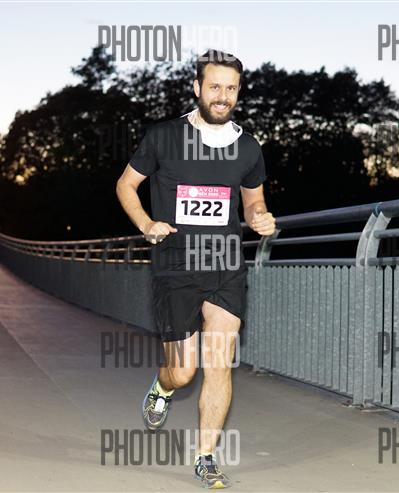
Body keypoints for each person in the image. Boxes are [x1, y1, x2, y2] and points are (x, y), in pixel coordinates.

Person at [116, 49, 276, 488]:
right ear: (197, 88)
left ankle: (205, 457)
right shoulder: (164, 136)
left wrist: (260, 217)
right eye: (215, 86)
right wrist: (146, 224)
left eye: (231, 88)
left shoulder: (248, 147)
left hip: (226, 266)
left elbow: (253, 200)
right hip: (176, 266)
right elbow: (126, 185)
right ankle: (162, 386)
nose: (222, 96)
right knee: (183, 371)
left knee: (219, 363)